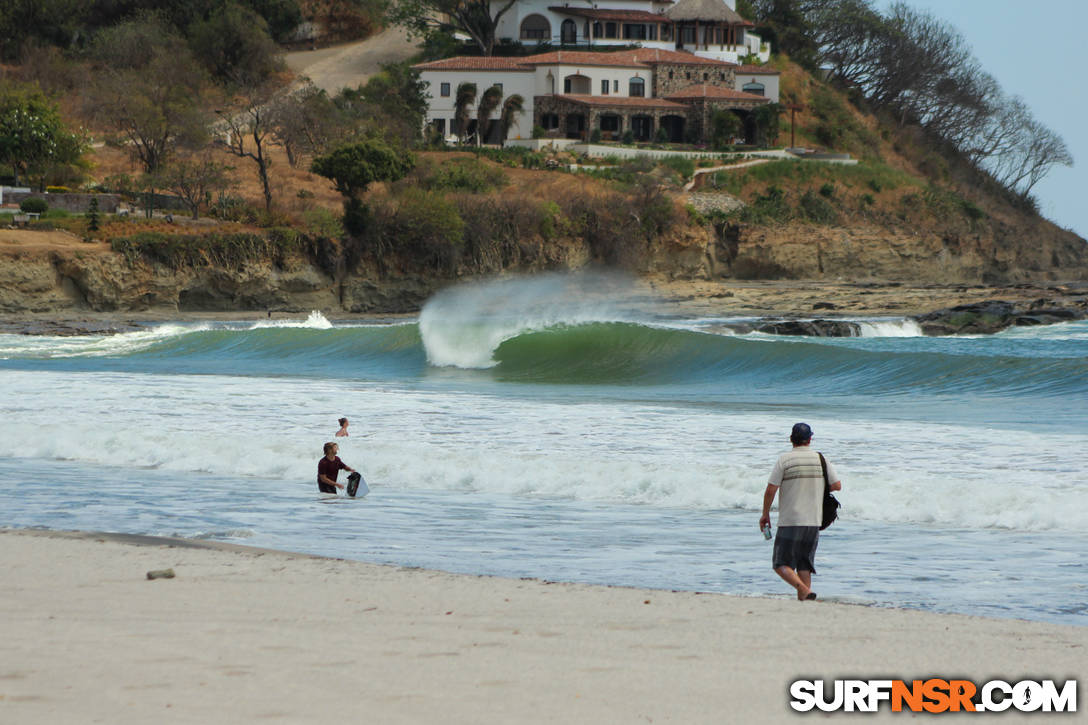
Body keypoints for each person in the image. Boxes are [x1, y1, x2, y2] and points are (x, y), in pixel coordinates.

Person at [758, 423, 842, 601]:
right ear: (810, 439)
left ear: (791, 439)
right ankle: (804, 600)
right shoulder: (820, 459)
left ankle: (803, 590)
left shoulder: (785, 459)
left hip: (791, 520)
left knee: (780, 563)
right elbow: (837, 486)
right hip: (813, 520)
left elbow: (770, 490)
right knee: (804, 564)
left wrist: (765, 514)